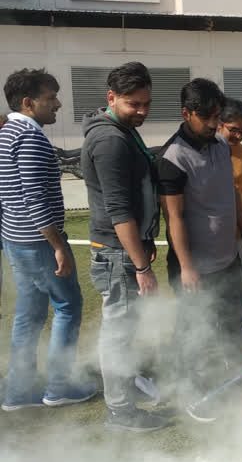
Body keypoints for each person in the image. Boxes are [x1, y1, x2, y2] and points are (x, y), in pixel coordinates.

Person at [158, 78, 242, 422]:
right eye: (207, 117)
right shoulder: (172, 157)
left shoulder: (218, 144)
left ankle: (235, 382)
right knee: (193, 332)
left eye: (217, 116)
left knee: (231, 324)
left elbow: (230, 195)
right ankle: (191, 393)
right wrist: (186, 266)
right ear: (186, 113)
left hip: (227, 257)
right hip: (194, 266)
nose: (215, 124)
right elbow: (174, 218)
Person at [0, 69, 96, 411]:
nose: (57, 104)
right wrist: (57, 246)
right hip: (39, 242)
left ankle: (17, 391)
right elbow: (34, 197)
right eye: (50, 98)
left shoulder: (7, 132)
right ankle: (59, 386)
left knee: (29, 313)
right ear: (28, 103)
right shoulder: (29, 137)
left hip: (16, 239)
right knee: (67, 307)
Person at [81, 61, 168, 432]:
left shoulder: (123, 129)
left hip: (126, 250)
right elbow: (118, 210)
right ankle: (120, 411)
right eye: (134, 104)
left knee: (125, 329)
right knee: (118, 334)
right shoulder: (110, 140)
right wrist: (142, 267)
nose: (143, 111)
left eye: (147, 103)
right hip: (118, 254)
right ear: (111, 98)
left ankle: (124, 395)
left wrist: (145, 242)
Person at [217, 97, 242, 336]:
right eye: (233, 130)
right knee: (209, 298)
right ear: (219, 123)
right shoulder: (207, 151)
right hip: (207, 241)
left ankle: (235, 345)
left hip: (236, 236)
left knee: (236, 296)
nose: (239, 136)